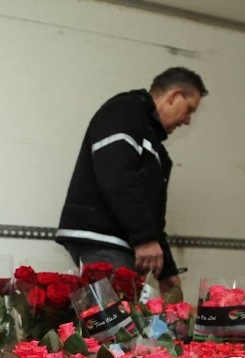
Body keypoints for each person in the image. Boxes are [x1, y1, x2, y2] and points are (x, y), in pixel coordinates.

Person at [55, 67, 207, 294]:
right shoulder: (124, 111)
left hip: (120, 243)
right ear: (174, 96)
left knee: (126, 313)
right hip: (104, 240)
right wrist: (145, 239)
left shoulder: (153, 144)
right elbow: (118, 175)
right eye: (189, 110)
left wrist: (166, 269)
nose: (187, 120)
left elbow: (153, 215)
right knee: (117, 315)